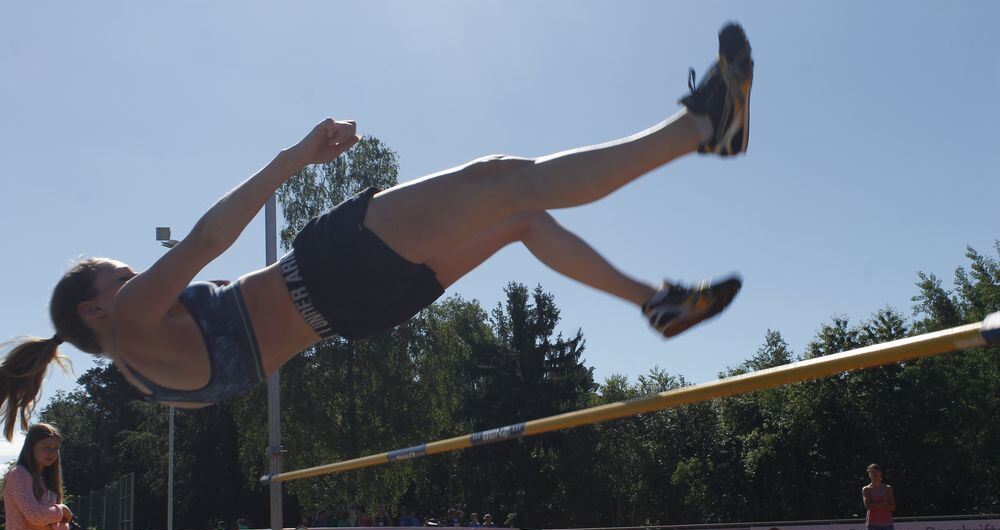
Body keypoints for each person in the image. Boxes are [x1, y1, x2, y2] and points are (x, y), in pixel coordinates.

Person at [0, 23, 752, 436]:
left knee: (516, 211)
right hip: (326, 272)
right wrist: (295, 156)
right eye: (116, 271)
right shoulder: (129, 322)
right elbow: (201, 243)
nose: (131, 273)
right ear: (94, 308)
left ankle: (654, 302)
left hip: (356, 312)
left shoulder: (146, 376)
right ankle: (700, 128)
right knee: (506, 183)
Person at [1, 423, 72, 530]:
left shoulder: (48, 480)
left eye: (55, 448)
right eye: (46, 447)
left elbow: (62, 526)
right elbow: (35, 516)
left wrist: (50, 529)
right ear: (31, 447)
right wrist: (62, 509)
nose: (52, 453)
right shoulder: (19, 474)